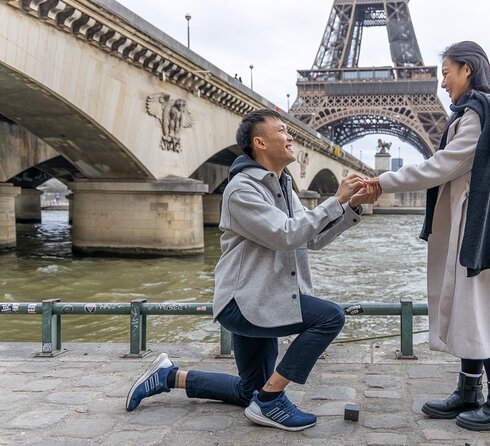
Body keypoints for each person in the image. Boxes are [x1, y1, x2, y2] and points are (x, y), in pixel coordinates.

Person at [126, 109, 380, 431]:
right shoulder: (241, 189)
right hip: (246, 302)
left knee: (250, 391)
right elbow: (286, 234)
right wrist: (335, 199)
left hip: (266, 298)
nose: (291, 137)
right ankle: (272, 401)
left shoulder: (284, 186)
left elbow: (310, 237)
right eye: (283, 131)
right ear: (260, 142)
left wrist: (349, 208)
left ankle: (168, 376)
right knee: (330, 317)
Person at [367, 41, 490, 431]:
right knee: (471, 305)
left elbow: (442, 166)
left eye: (445, 72)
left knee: (486, 307)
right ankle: (470, 390)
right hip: (479, 216)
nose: (442, 82)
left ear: (467, 69)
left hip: (486, 221)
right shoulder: (483, 111)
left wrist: (381, 181)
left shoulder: (480, 113)